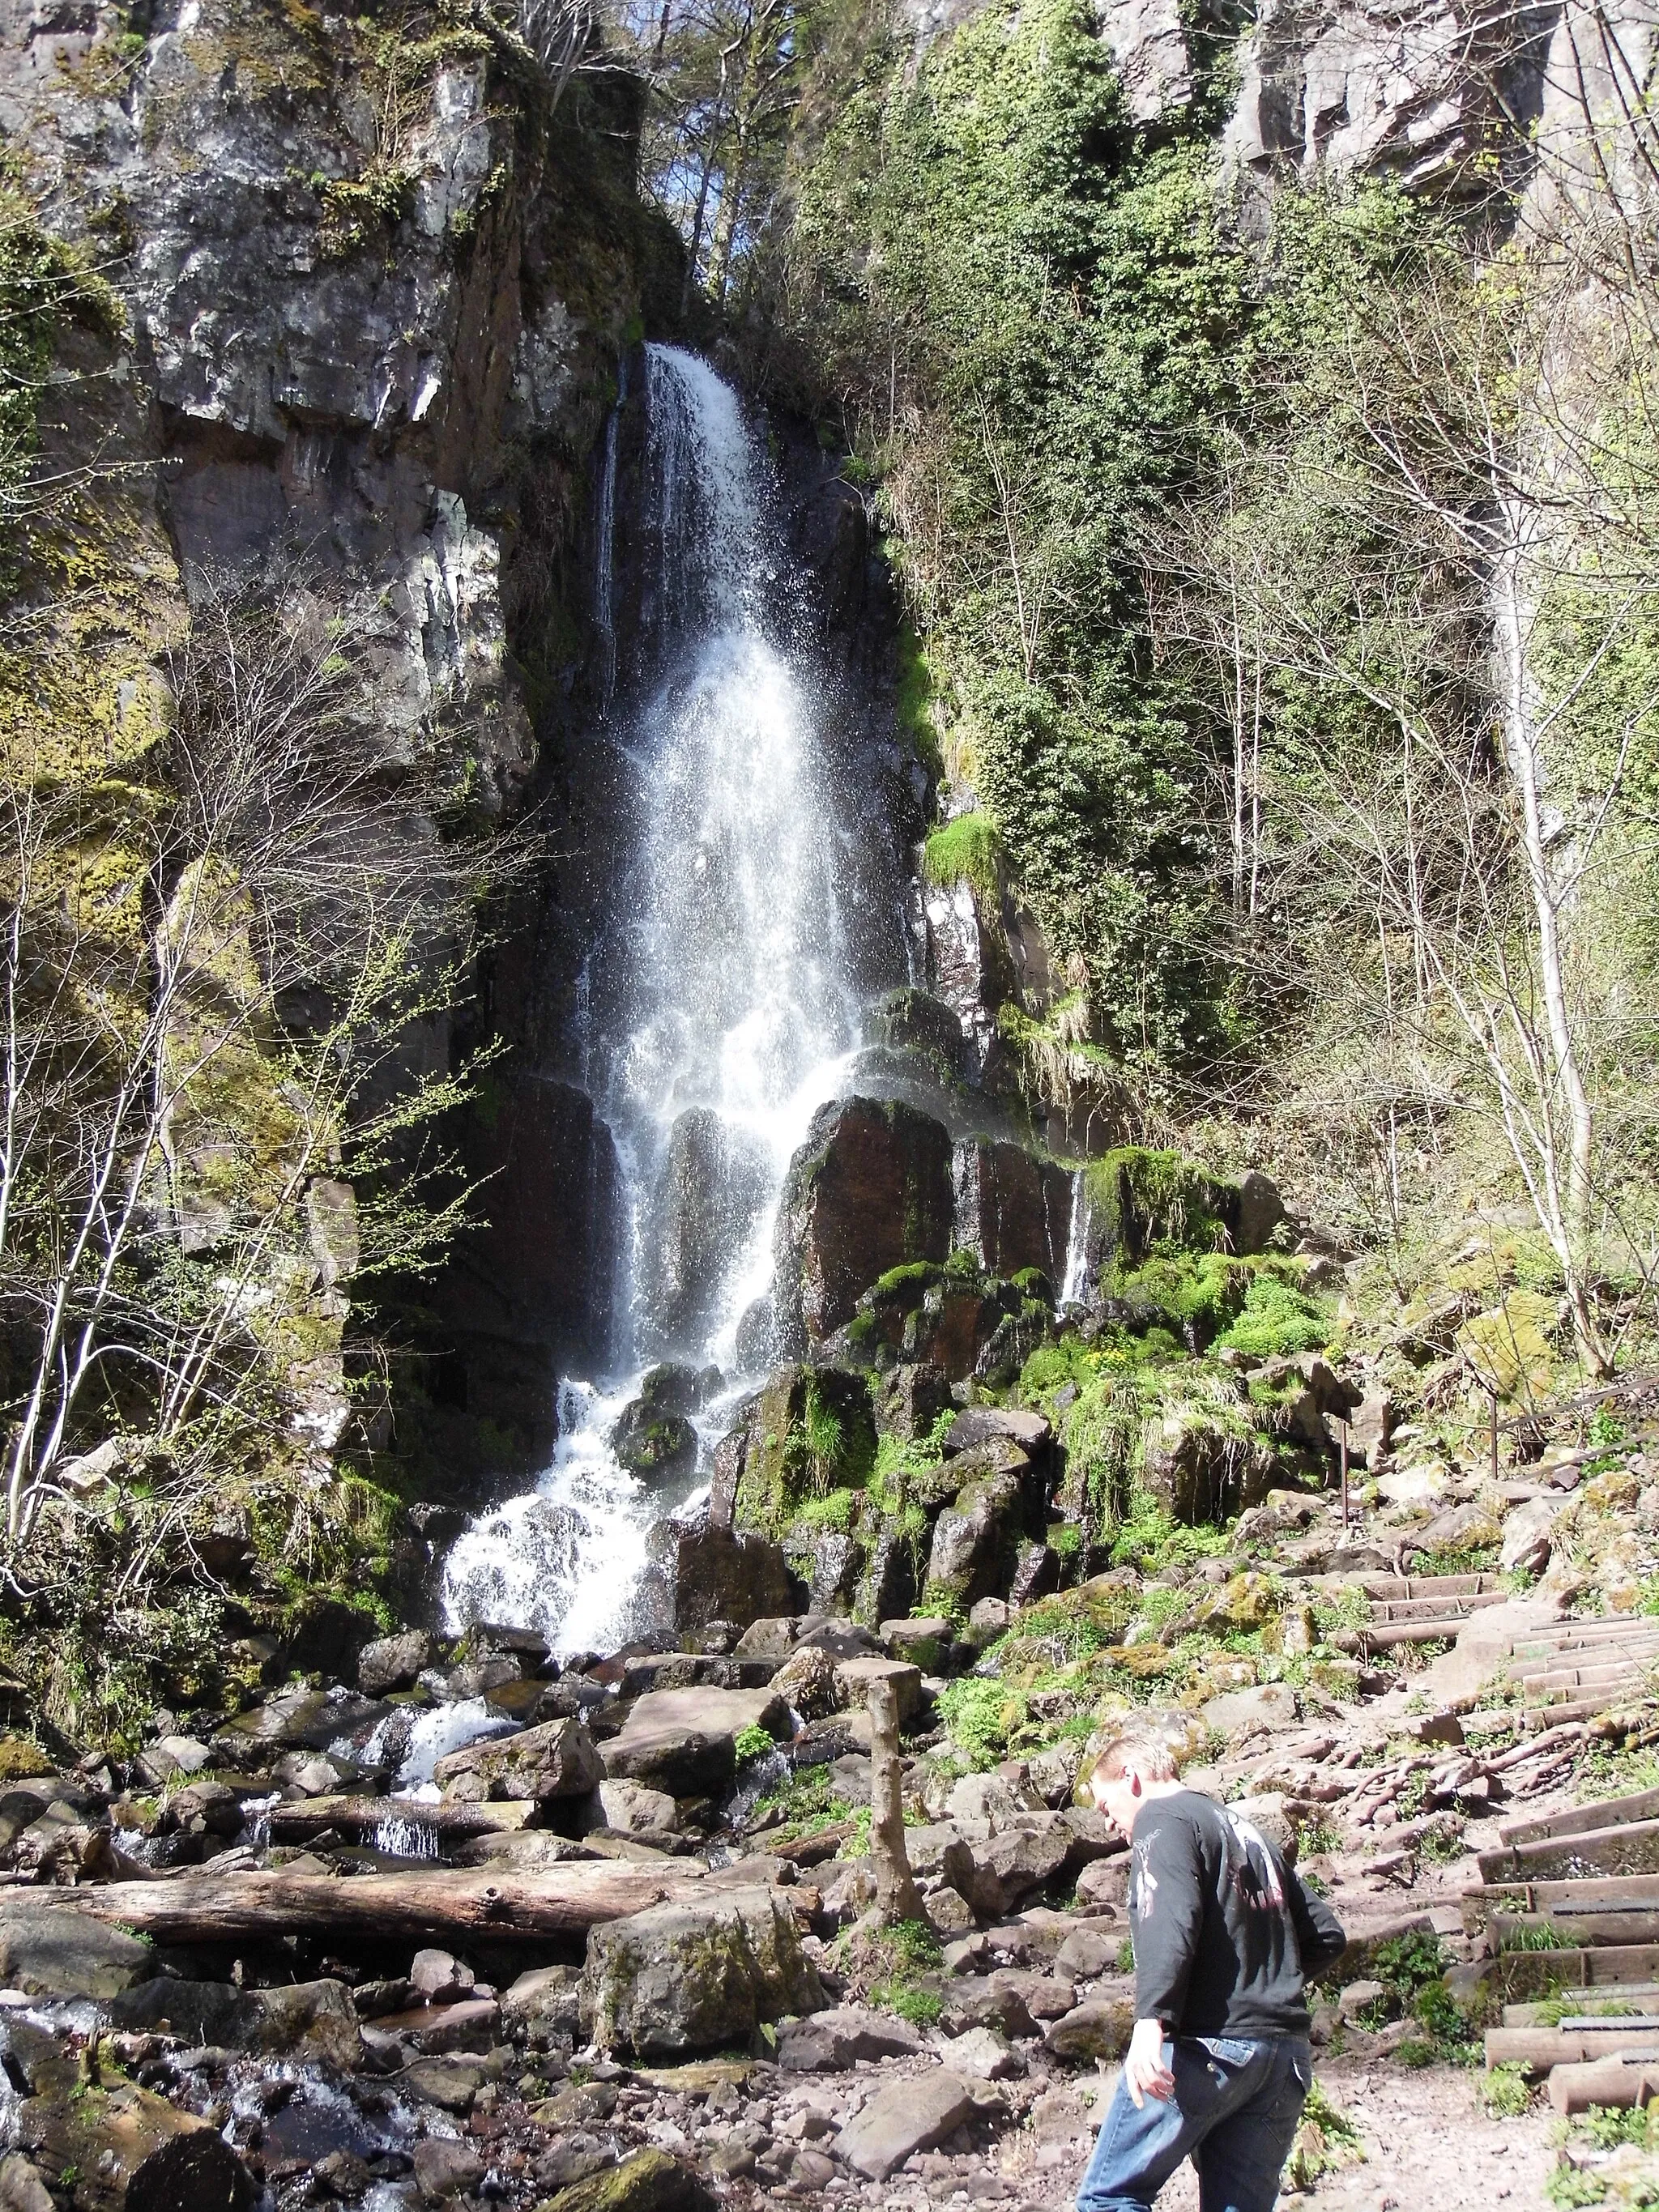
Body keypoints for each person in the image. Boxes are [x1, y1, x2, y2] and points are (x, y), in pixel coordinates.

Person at [1075, 1733, 1347, 2212]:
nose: (1110, 1822)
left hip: (1210, 2050)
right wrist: (1264, 1989)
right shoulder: (1244, 1829)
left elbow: (1171, 1919)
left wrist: (1149, 2024)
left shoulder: (1161, 1820)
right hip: (1284, 2058)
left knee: (1109, 2197)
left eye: (1104, 1806)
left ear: (1131, 1778)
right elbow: (1326, 1934)